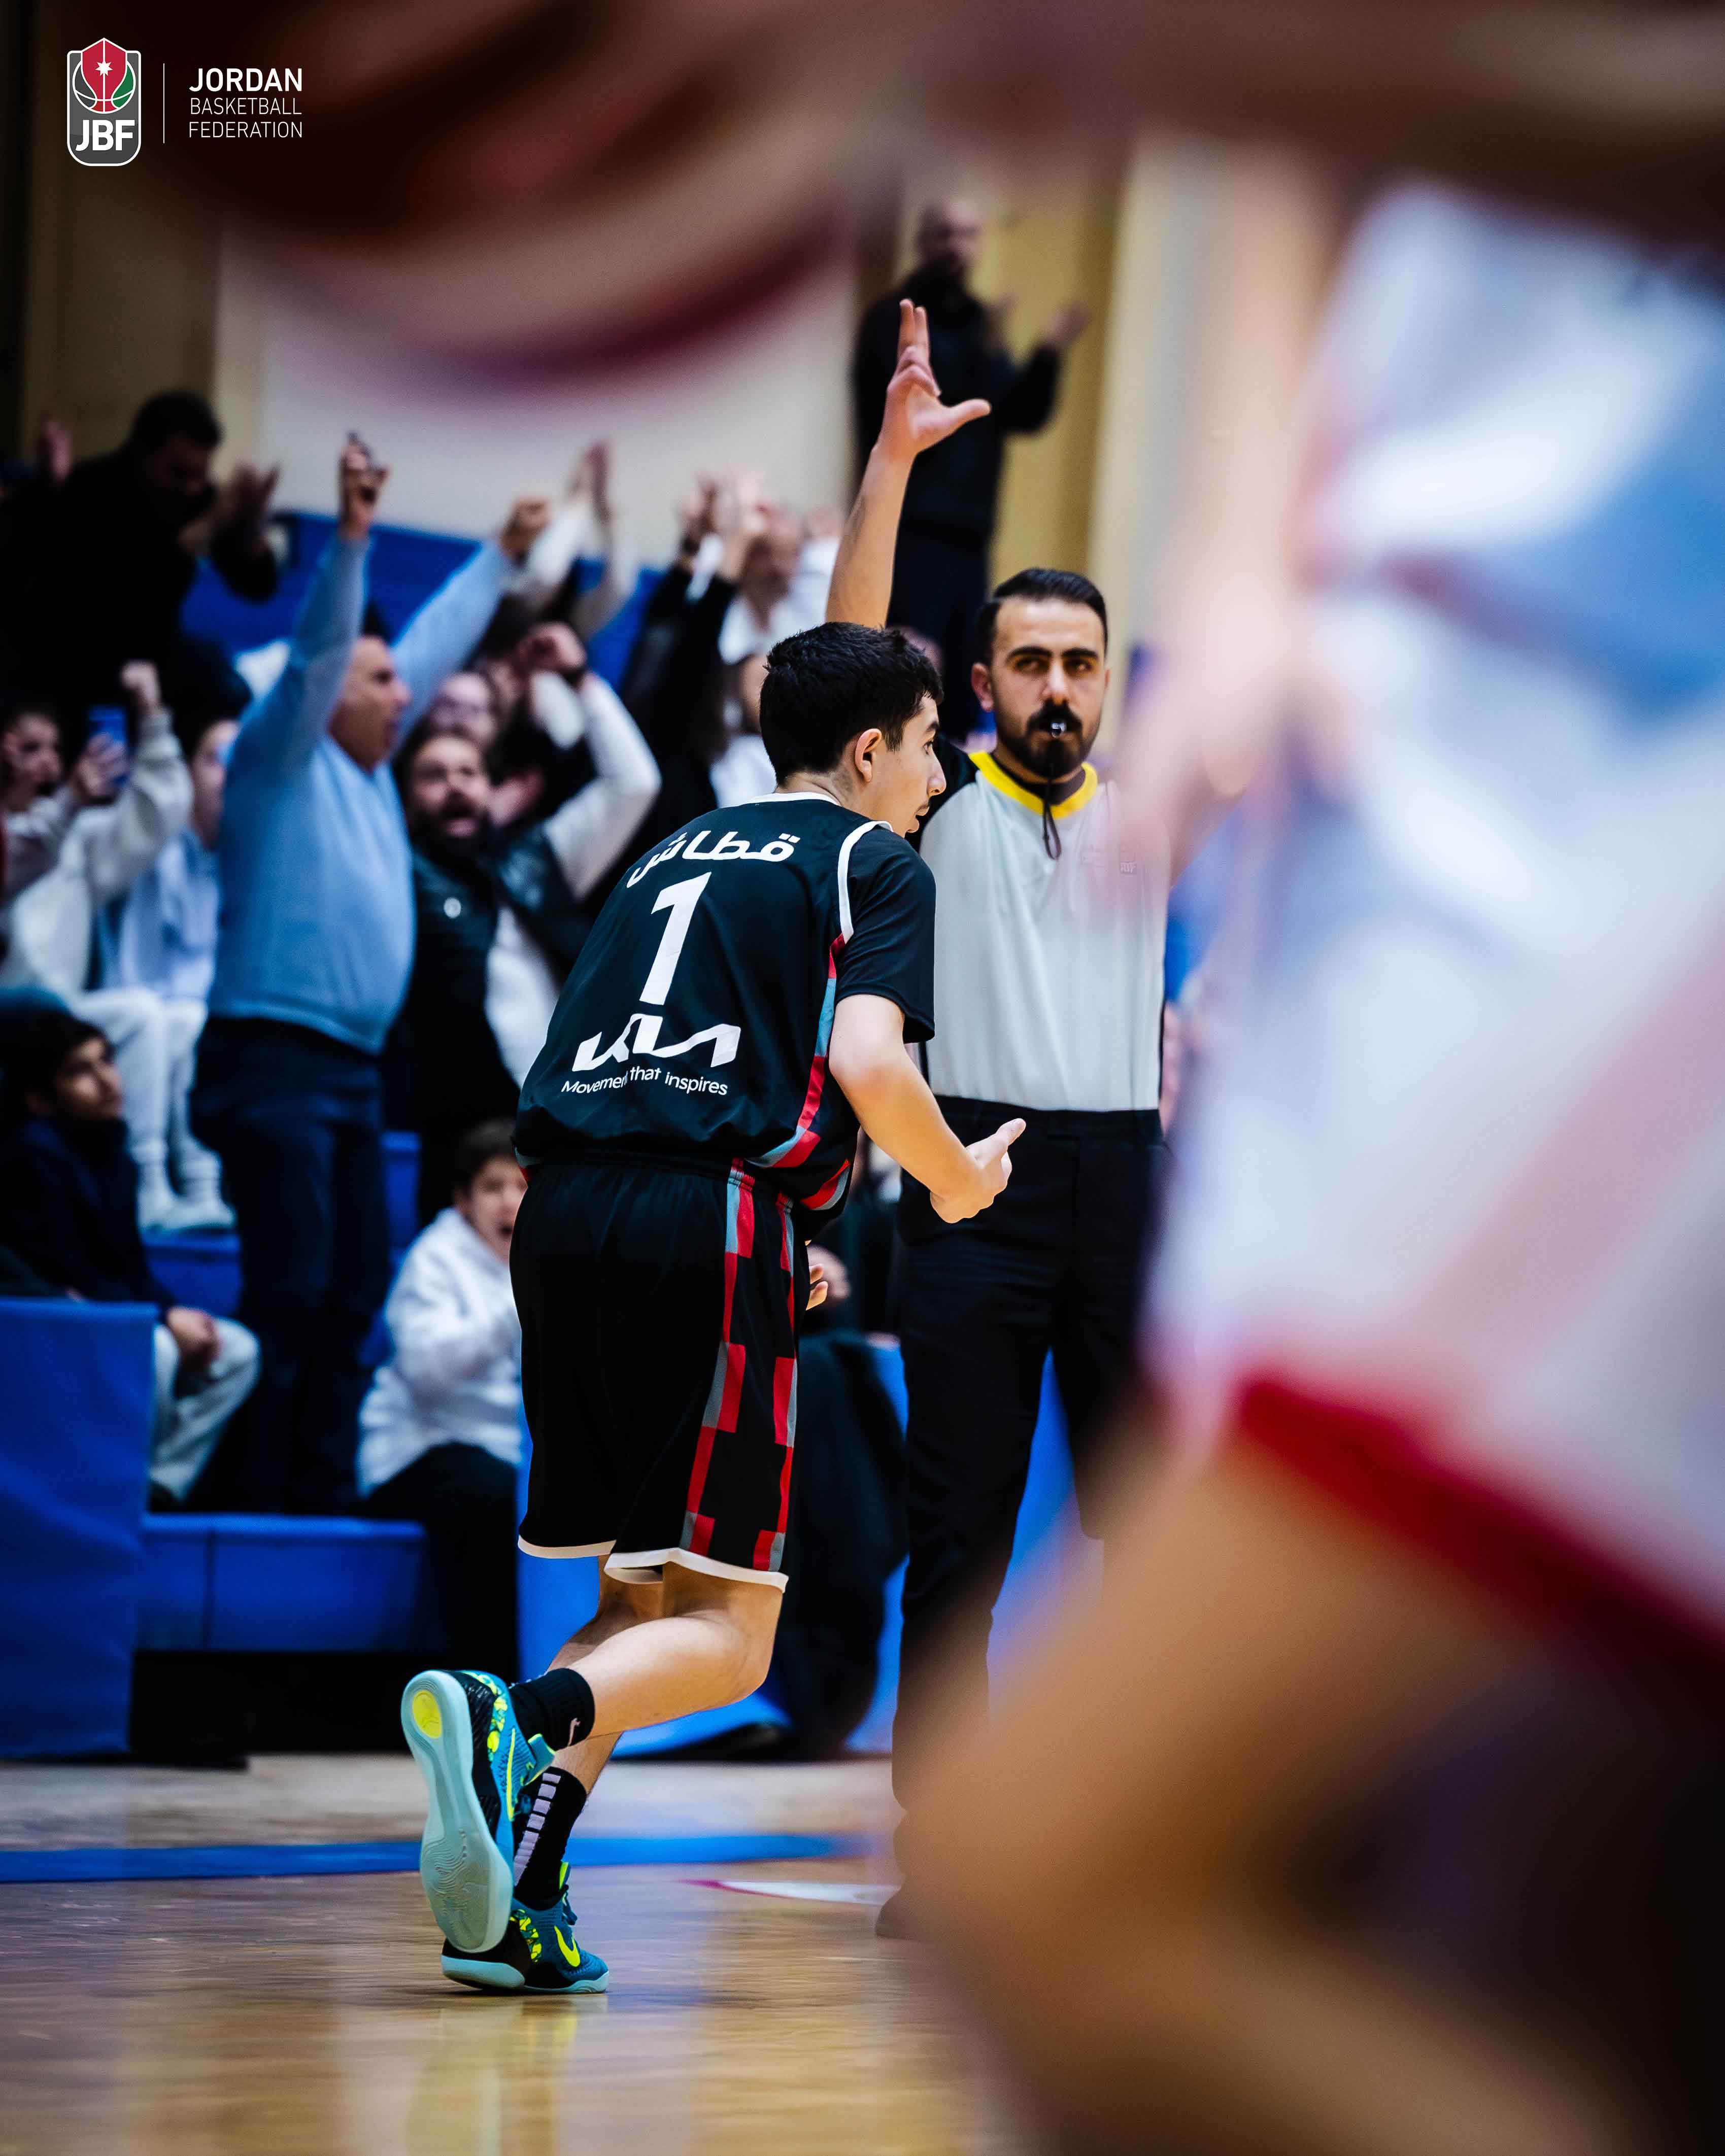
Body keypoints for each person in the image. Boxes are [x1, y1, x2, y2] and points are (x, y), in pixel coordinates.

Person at [397, 617, 1022, 1995]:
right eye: (929, 747)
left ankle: (516, 1899)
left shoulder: (673, 847)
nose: (938, 777)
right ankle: (511, 1717)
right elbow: (869, 1062)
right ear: (869, 751)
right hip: (707, 1213)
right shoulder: (873, 860)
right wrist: (955, 1181)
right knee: (732, 1641)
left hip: (563, 1211)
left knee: (636, 1600)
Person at [828, 301, 1172, 1936]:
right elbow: (839, 653)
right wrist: (893, 465)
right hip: (966, 1174)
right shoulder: (935, 800)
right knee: (957, 1532)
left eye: (1078, 664)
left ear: (1106, 684)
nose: (1055, 686)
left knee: (1143, 1539)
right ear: (979, 683)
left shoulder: (1154, 808)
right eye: (1028, 661)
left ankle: (1146, 1843)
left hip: (1124, 1180)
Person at [190, 436, 552, 1514]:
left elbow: (426, 647)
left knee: (350, 1291)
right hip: (273, 1057)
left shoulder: (368, 771)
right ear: (326, 690)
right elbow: (318, 656)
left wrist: (500, 557)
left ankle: (313, 1490)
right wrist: (350, 541)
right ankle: (252, 1499)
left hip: (347, 1072)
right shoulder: (277, 759)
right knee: (294, 1284)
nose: (408, 694)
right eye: (383, 679)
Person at [395, 631, 659, 1221]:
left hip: (564, 1110)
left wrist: (579, 679)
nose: (455, 785)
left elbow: (633, 784)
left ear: (491, 787)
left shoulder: (537, 858)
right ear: (406, 799)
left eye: (468, 771)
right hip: (461, 1126)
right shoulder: (395, 869)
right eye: (434, 775)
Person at [0, 1010, 257, 1505]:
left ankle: (158, 1485)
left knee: (238, 1350)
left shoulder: (113, 1153)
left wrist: (174, 1312)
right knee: (154, 1348)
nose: (106, 1080)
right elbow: (71, 1272)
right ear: (39, 1098)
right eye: (80, 1071)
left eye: (107, 1061)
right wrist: (163, 1318)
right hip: (53, 1322)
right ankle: (117, 1488)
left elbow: (129, 1269)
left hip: (106, 1309)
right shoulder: (32, 1155)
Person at [851, 199, 1090, 734]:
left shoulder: (979, 322)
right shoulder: (893, 319)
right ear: (923, 242)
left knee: (960, 690)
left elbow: (1016, 413)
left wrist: (1048, 352)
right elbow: (922, 410)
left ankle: (947, 784)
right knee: (906, 684)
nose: (958, 247)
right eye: (946, 234)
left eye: (969, 235)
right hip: (909, 529)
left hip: (971, 535)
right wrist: (985, 351)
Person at [0, 663, 207, 1231]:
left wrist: (152, 718)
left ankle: (181, 1182)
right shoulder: (37, 830)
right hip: (10, 1015)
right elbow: (20, 855)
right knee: (136, 1013)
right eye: (30, 748)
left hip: (61, 1015)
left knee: (178, 1017)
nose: (46, 763)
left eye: (54, 749)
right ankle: (140, 1183)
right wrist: (66, 803)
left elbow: (156, 815)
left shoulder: (75, 836)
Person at [359, 1122, 529, 1680]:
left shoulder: (557, 1259)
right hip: (418, 1451)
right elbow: (427, 1374)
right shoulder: (435, 1258)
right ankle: (486, 1687)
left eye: (522, 1185)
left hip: (509, 1455)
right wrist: (515, 1306)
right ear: (463, 1201)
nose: (509, 1202)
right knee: (490, 1499)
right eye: (492, 1187)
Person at [9, 389, 279, 725]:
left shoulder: (197, 496)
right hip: (80, 647)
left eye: (201, 473)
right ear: (141, 452)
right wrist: (205, 530)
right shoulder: (90, 488)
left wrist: (251, 531)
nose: (192, 486)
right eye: (179, 472)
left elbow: (258, 588)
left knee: (228, 687)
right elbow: (124, 598)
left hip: (157, 649)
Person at [97, 713, 238, 1228]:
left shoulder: (250, 856)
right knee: (166, 1018)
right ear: (188, 772)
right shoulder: (154, 844)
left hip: (193, 1021)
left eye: (239, 760)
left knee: (193, 1021)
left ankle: (203, 1188)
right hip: (131, 1006)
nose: (228, 773)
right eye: (215, 759)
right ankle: (151, 1184)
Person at [2, 703, 128, 903]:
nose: (47, 758)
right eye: (31, 748)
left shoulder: (75, 818)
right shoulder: (15, 827)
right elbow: (23, 846)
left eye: (55, 748)